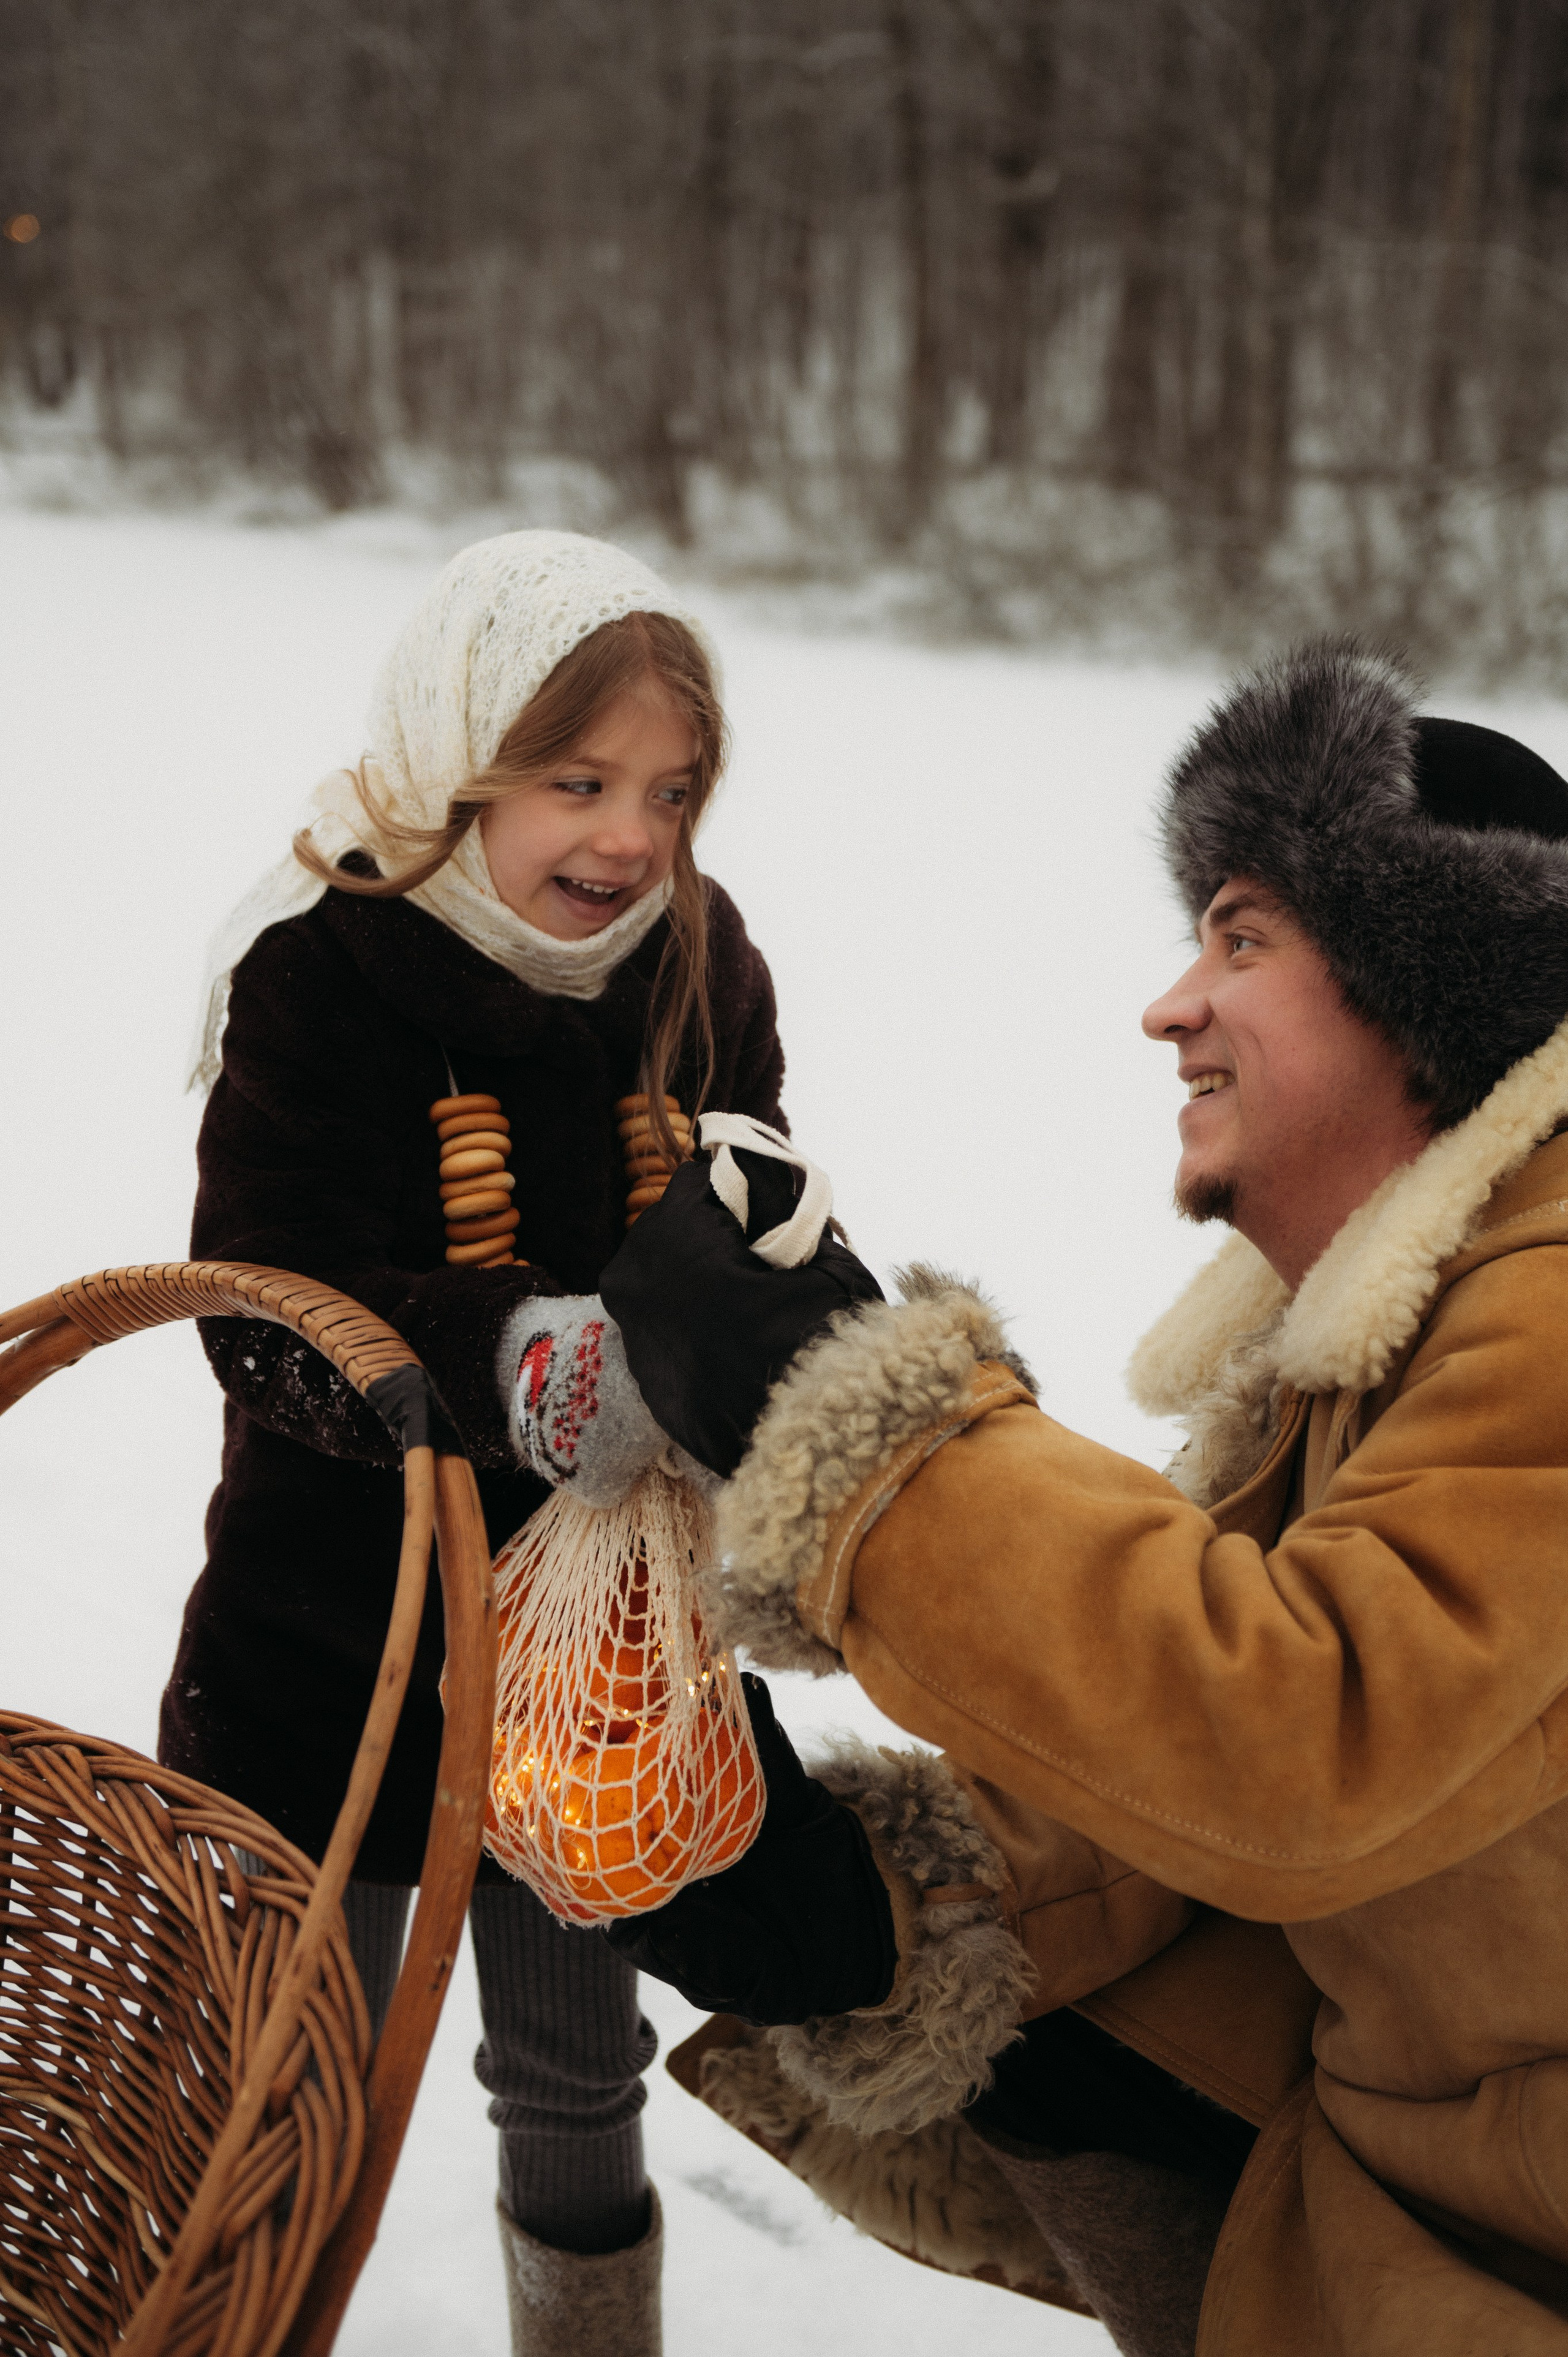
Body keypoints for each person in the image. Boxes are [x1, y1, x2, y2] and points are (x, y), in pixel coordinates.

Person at [583, 638, 1568, 2355]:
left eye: (1241, 937)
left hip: (1507, 2246)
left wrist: (862, 1430)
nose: (1170, 1004)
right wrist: (852, 1898)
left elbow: (1302, 1728)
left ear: (1438, 981)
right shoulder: (1372, 1348)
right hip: (1441, 2171)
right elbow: (1173, 1740)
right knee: (1037, 1997)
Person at [160, 530, 787, 2357]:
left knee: (581, 2083)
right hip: (334, 1658)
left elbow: (753, 1193)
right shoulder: (327, 965)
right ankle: (225, 2324)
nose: (627, 836)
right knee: (290, 2085)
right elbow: (254, 1302)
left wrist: (770, 1339)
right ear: (458, 759)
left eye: (670, 792)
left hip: (584, 1670)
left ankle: (588, 2331)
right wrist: (504, 1355)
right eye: (575, 783)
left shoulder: (691, 953)